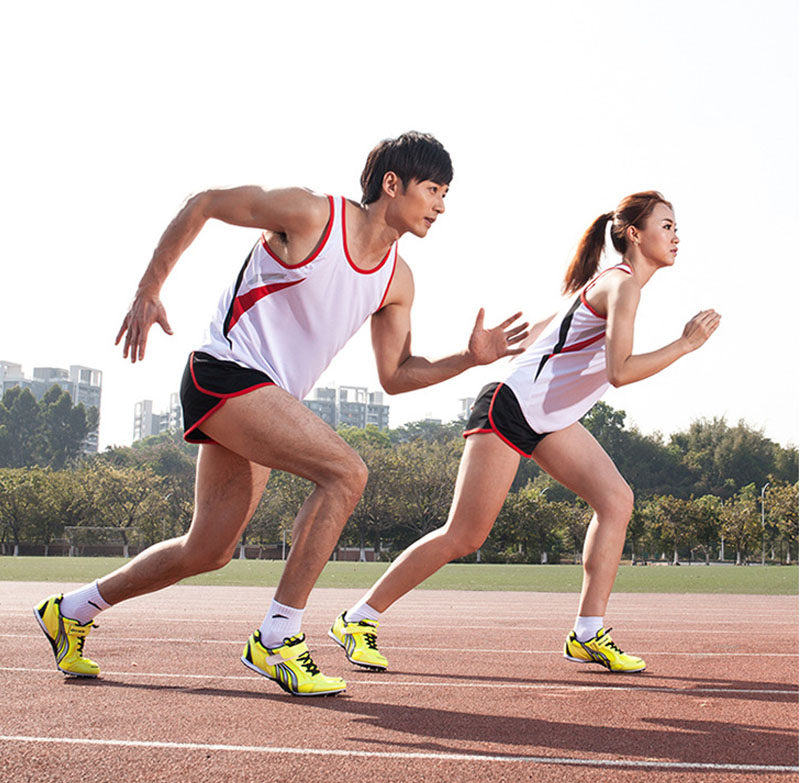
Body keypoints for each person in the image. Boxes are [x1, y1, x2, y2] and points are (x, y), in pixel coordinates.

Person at [34, 132, 529, 697]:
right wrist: (150, 287)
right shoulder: (312, 215)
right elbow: (204, 203)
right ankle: (278, 636)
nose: (441, 205)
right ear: (393, 184)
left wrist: (469, 359)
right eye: (433, 189)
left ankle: (71, 610)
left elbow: (395, 375)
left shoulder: (398, 279)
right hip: (225, 371)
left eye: (445, 194)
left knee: (208, 550)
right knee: (346, 473)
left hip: (265, 400)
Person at [329, 190, 721, 674]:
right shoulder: (622, 284)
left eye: (676, 227)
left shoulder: (610, 283)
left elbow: (551, 331)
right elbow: (619, 372)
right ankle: (358, 618)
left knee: (616, 500)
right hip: (510, 409)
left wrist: (522, 345)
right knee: (464, 535)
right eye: (667, 226)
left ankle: (588, 633)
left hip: (547, 419)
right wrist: (685, 344)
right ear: (635, 235)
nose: (676, 236)